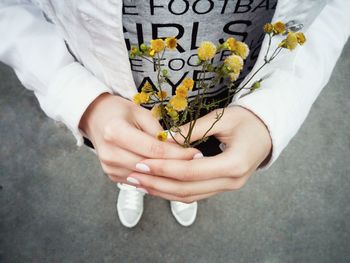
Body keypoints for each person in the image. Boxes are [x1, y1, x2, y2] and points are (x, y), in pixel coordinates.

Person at [0, 0, 349, 228]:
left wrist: (274, 111)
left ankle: (180, 188)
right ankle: (134, 182)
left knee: (192, 165)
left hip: (221, 117)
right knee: (131, 160)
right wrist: (79, 97)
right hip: (116, 103)